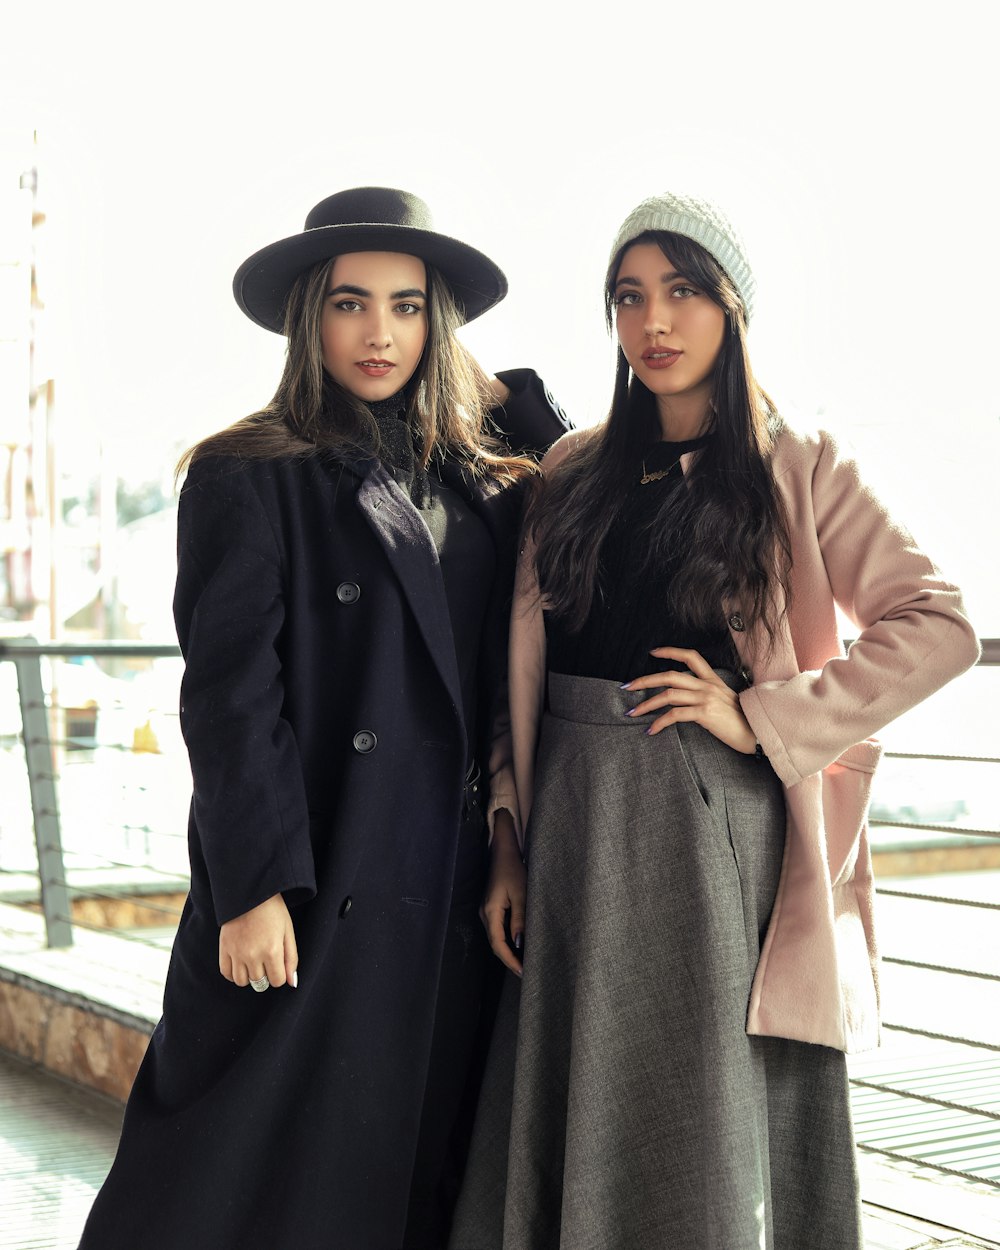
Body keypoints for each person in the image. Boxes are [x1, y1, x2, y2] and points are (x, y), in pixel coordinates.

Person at [451, 191, 980, 1250]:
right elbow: (521, 672)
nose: (654, 320)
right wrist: (508, 838)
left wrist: (760, 713)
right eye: (629, 295)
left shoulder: (801, 464)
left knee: (698, 1106)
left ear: (733, 307)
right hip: (571, 820)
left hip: (711, 832)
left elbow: (940, 624)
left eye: (683, 291)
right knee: (568, 1093)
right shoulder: (570, 471)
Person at [78, 186, 570, 1250]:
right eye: (351, 303)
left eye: (407, 305)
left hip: (441, 884)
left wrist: (505, 848)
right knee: (227, 1164)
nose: (379, 332)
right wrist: (255, 883)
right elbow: (227, 695)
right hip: (311, 872)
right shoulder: (247, 471)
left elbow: (519, 655)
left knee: (413, 1169)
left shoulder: (486, 484)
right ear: (311, 316)